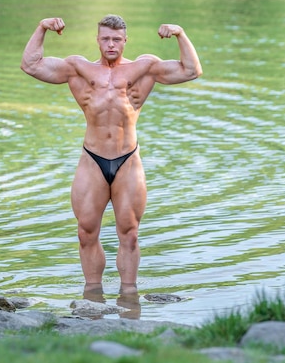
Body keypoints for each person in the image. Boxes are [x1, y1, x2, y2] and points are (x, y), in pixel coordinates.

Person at [21, 15, 202, 296]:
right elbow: (30, 65)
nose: (111, 44)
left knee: (129, 234)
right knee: (86, 232)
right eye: (105, 38)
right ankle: (92, 295)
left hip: (127, 159)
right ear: (97, 40)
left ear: (125, 40)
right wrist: (42, 27)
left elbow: (191, 71)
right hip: (91, 159)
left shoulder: (145, 67)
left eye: (116, 39)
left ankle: (129, 296)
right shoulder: (78, 68)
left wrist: (180, 33)